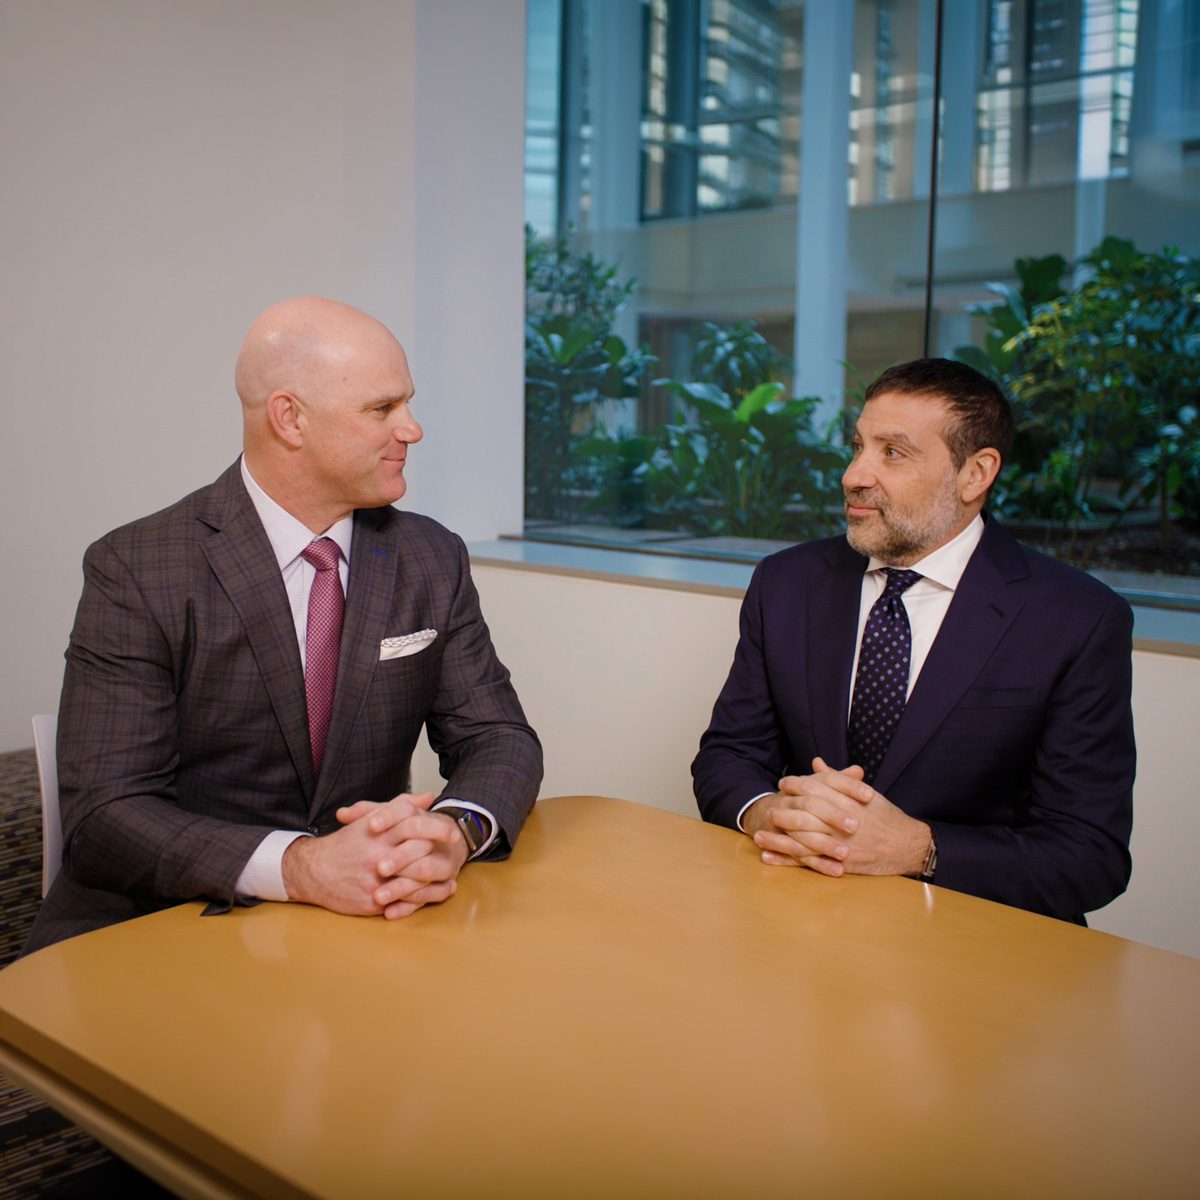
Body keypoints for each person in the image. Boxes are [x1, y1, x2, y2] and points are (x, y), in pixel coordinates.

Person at [26, 297, 542, 952]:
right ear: (289, 418)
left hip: (363, 929)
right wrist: (300, 866)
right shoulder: (137, 567)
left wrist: (455, 831)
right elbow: (105, 817)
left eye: (407, 404)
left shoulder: (431, 556)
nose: (411, 429)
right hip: (165, 924)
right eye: (382, 408)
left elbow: (499, 737)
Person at [692, 358, 1134, 923]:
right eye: (858, 447)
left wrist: (918, 849)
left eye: (893, 453)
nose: (854, 475)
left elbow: (1089, 855)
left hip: (970, 942)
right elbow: (729, 755)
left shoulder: (1079, 618)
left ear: (975, 474)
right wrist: (771, 813)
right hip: (795, 918)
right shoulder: (785, 582)